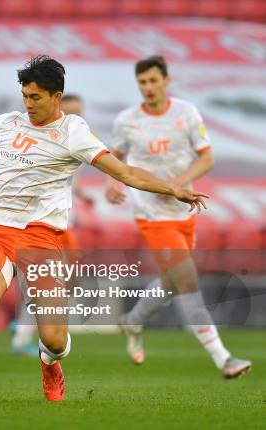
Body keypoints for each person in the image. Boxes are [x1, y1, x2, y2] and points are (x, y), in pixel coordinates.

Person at [0, 55, 208, 403]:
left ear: (56, 96)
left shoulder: (74, 133)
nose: (28, 104)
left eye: (35, 97)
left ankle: (50, 362)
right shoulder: (9, 123)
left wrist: (172, 188)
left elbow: (124, 173)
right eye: (25, 96)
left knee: (53, 338)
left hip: (41, 237)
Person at [106, 55, 251, 378]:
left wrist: (177, 185)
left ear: (166, 81)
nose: (148, 88)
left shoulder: (186, 113)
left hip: (183, 209)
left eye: (153, 81)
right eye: (142, 82)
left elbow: (207, 157)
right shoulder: (127, 121)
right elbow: (112, 158)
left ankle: (132, 322)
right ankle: (223, 358)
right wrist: (111, 182)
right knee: (186, 281)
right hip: (151, 212)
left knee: (171, 284)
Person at [10, 93, 93, 357]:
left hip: (65, 221)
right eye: (70, 111)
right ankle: (23, 333)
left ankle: (26, 324)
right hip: (51, 224)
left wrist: (81, 195)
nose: (75, 116)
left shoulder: (75, 138)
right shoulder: (46, 140)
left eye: (79, 111)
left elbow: (66, 179)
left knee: (66, 281)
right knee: (51, 283)